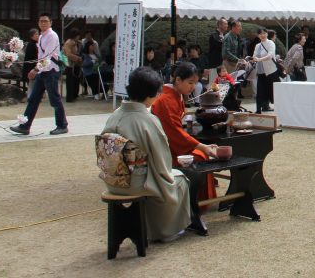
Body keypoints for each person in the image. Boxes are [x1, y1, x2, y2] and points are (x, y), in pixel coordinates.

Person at [99, 66, 191, 242]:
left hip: (112, 180)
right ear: (149, 95)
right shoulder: (147, 120)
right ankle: (165, 230)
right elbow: (162, 162)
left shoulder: (115, 115)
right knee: (180, 180)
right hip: (135, 182)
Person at [150, 62, 218, 202]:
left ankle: (201, 199)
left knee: (202, 153)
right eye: (190, 82)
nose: (193, 87)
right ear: (178, 80)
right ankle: (196, 201)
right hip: (165, 150)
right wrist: (201, 146)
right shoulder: (166, 99)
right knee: (200, 155)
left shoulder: (174, 95)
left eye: (195, 83)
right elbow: (174, 132)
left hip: (173, 144)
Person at [9, 13, 69, 136]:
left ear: (50, 22)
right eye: (41, 21)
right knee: (33, 99)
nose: (43, 23)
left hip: (50, 70)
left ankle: (62, 125)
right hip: (43, 71)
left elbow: (47, 57)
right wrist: (38, 69)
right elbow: (40, 56)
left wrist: (35, 70)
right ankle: (25, 126)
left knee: (54, 100)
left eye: (45, 21)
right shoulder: (42, 36)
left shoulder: (52, 36)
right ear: (38, 23)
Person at [252, 28, 279, 113]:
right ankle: (258, 110)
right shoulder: (257, 45)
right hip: (260, 72)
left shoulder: (271, 43)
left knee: (272, 91)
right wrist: (254, 58)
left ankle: (279, 109)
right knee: (260, 91)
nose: (262, 35)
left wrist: (259, 59)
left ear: (267, 34)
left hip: (271, 72)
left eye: (264, 33)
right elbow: (254, 56)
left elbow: (270, 55)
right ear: (258, 35)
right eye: (260, 34)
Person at [62, 28, 83, 101]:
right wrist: (77, 58)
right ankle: (70, 97)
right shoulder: (69, 42)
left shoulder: (77, 42)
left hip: (76, 64)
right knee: (70, 82)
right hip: (70, 64)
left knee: (76, 81)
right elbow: (68, 54)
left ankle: (74, 95)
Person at [20, 28, 39, 93]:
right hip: (30, 66)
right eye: (36, 34)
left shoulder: (36, 44)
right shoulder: (31, 45)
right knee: (32, 83)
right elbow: (32, 57)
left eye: (38, 34)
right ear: (31, 36)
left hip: (35, 65)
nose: (38, 35)